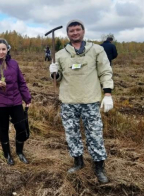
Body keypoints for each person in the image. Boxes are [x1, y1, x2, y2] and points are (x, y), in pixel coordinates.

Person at [49, 20, 113, 183]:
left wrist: (107, 93)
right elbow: (60, 77)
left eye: (78, 30)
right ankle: (78, 162)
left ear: (83, 31)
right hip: (69, 101)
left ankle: (99, 166)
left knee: (95, 134)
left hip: (90, 101)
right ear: (68, 34)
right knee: (72, 134)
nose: (75, 33)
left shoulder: (97, 50)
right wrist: (54, 73)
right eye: (71, 31)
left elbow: (105, 71)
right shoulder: (61, 54)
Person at [0, 38, 31, 165]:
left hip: (15, 101)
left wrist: (27, 98)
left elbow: (21, 82)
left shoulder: (14, 64)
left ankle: (20, 152)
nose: (1, 52)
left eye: (3, 49)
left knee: (21, 128)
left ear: (7, 50)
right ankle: (7, 154)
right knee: (4, 128)